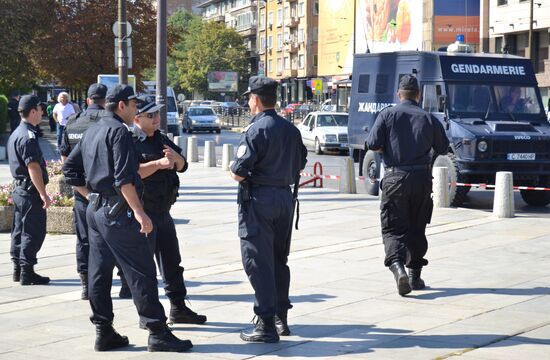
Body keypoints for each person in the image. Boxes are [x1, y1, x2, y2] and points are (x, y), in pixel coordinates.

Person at [62, 85, 193, 353]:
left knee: (99, 273)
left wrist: (91, 196)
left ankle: (104, 330)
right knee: (141, 272)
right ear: (121, 105)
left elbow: (70, 169)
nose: (135, 109)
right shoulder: (119, 132)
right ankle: (157, 331)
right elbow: (125, 178)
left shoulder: (93, 130)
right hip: (117, 211)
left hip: (96, 211)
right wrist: (139, 212)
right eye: (133, 104)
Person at [229, 76, 307, 343]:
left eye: (250, 97)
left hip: (258, 201)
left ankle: (265, 324)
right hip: (284, 199)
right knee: (278, 261)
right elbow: (300, 163)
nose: (249, 102)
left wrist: (232, 171)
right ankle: (280, 318)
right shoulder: (291, 129)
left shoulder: (256, 130)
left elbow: (239, 172)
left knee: (257, 262)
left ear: (257, 99)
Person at [366, 75, 449, 296]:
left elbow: (372, 143)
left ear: (398, 94)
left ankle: (398, 268)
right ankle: (415, 276)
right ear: (418, 94)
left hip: (395, 178)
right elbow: (443, 147)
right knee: (417, 227)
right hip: (421, 179)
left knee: (393, 229)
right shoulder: (429, 118)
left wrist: (388, 151)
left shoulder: (387, 114)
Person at [132, 95, 207, 325]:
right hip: (144, 213)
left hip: (163, 212)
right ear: (137, 118)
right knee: (144, 269)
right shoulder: (130, 140)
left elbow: (183, 165)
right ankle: (151, 317)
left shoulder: (161, 138)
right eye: (151, 115)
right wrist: (157, 165)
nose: (157, 118)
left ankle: (178, 308)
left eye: (157, 113)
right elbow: (130, 174)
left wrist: (177, 159)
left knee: (172, 263)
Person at [59, 83, 107, 300]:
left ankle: (86, 285)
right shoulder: (110, 123)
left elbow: (65, 160)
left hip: (82, 191)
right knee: (115, 237)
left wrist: (80, 187)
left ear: (87, 100)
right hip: (107, 191)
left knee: (84, 238)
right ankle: (124, 284)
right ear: (105, 101)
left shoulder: (72, 123)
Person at [7, 95, 52, 285]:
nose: (42, 112)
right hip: (29, 191)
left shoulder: (17, 132)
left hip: (19, 190)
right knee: (32, 231)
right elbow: (33, 167)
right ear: (33, 111)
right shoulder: (28, 136)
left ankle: (18, 269)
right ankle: (27, 271)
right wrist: (43, 194)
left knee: (19, 230)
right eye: (40, 109)